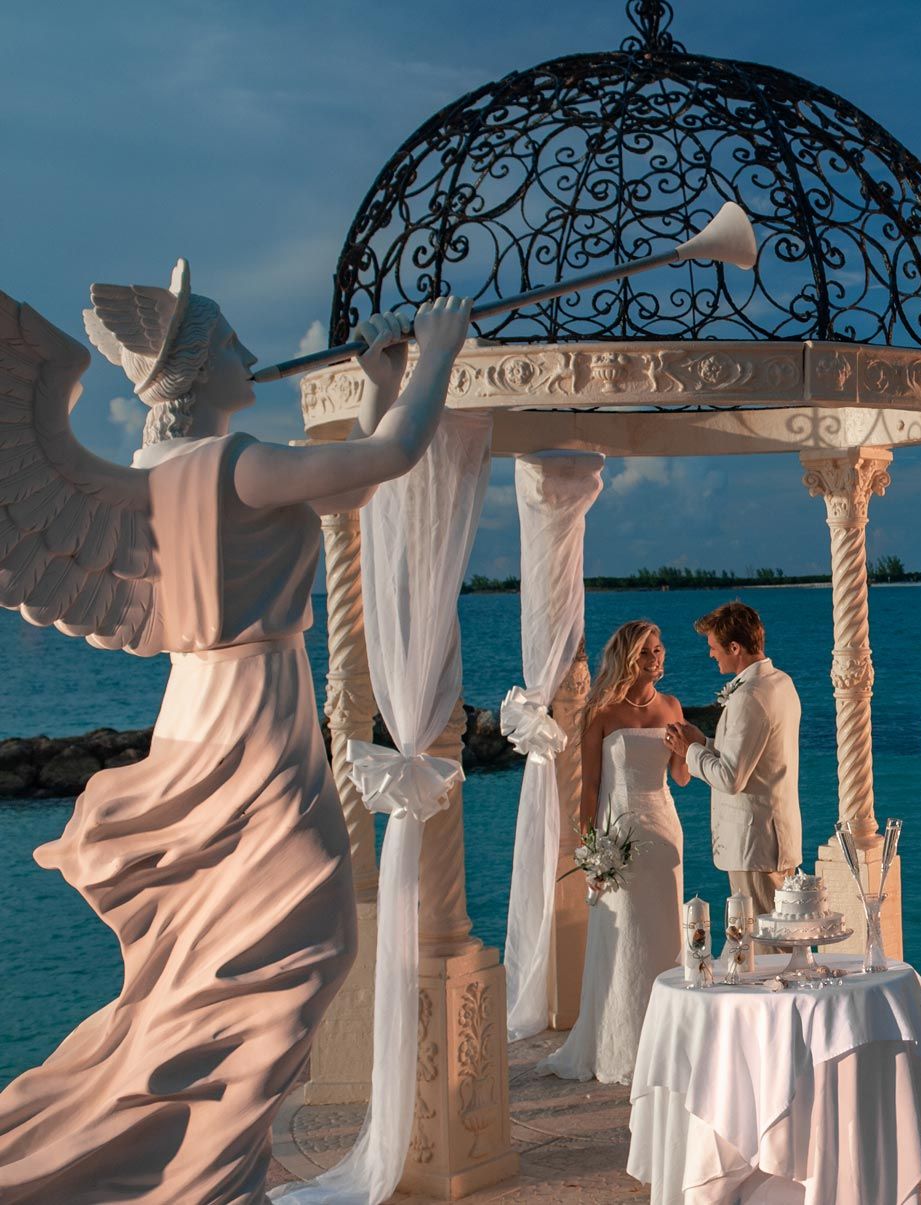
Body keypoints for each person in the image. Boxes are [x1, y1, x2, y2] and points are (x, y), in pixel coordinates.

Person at [0, 261, 472, 1199]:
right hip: (254, 717)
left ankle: (209, 1158)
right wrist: (440, 357)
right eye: (232, 344)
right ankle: (206, 1171)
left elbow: (342, 493)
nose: (252, 355)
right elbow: (385, 460)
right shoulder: (238, 464)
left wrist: (382, 383)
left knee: (222, 959)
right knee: (307, 942)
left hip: (202, 708)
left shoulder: (153, 474)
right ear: (199, 366)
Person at [540, 620, 689, 1083]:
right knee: (626, 939)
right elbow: (590, 788)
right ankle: (624, 1046)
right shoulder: (601, 712)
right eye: (647, 652)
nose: (656, 658)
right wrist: (590, 853)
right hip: (619, 838)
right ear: (628, 656)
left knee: (665, 936)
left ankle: (668, 1044)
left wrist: (690, 747)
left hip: (664, 832)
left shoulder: (672, 706)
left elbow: (681, 777)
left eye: (660, 649)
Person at [664, 601, 802, 932]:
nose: (712, 655)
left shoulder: (749, 696)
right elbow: (757, 758)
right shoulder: (781, 682)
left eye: (714, 648)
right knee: (778, 937)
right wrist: (708, 742)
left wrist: (691, 750)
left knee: (767, 944)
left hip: (754, 845)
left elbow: (730, 778)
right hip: (773, 837)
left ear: (735, 647)